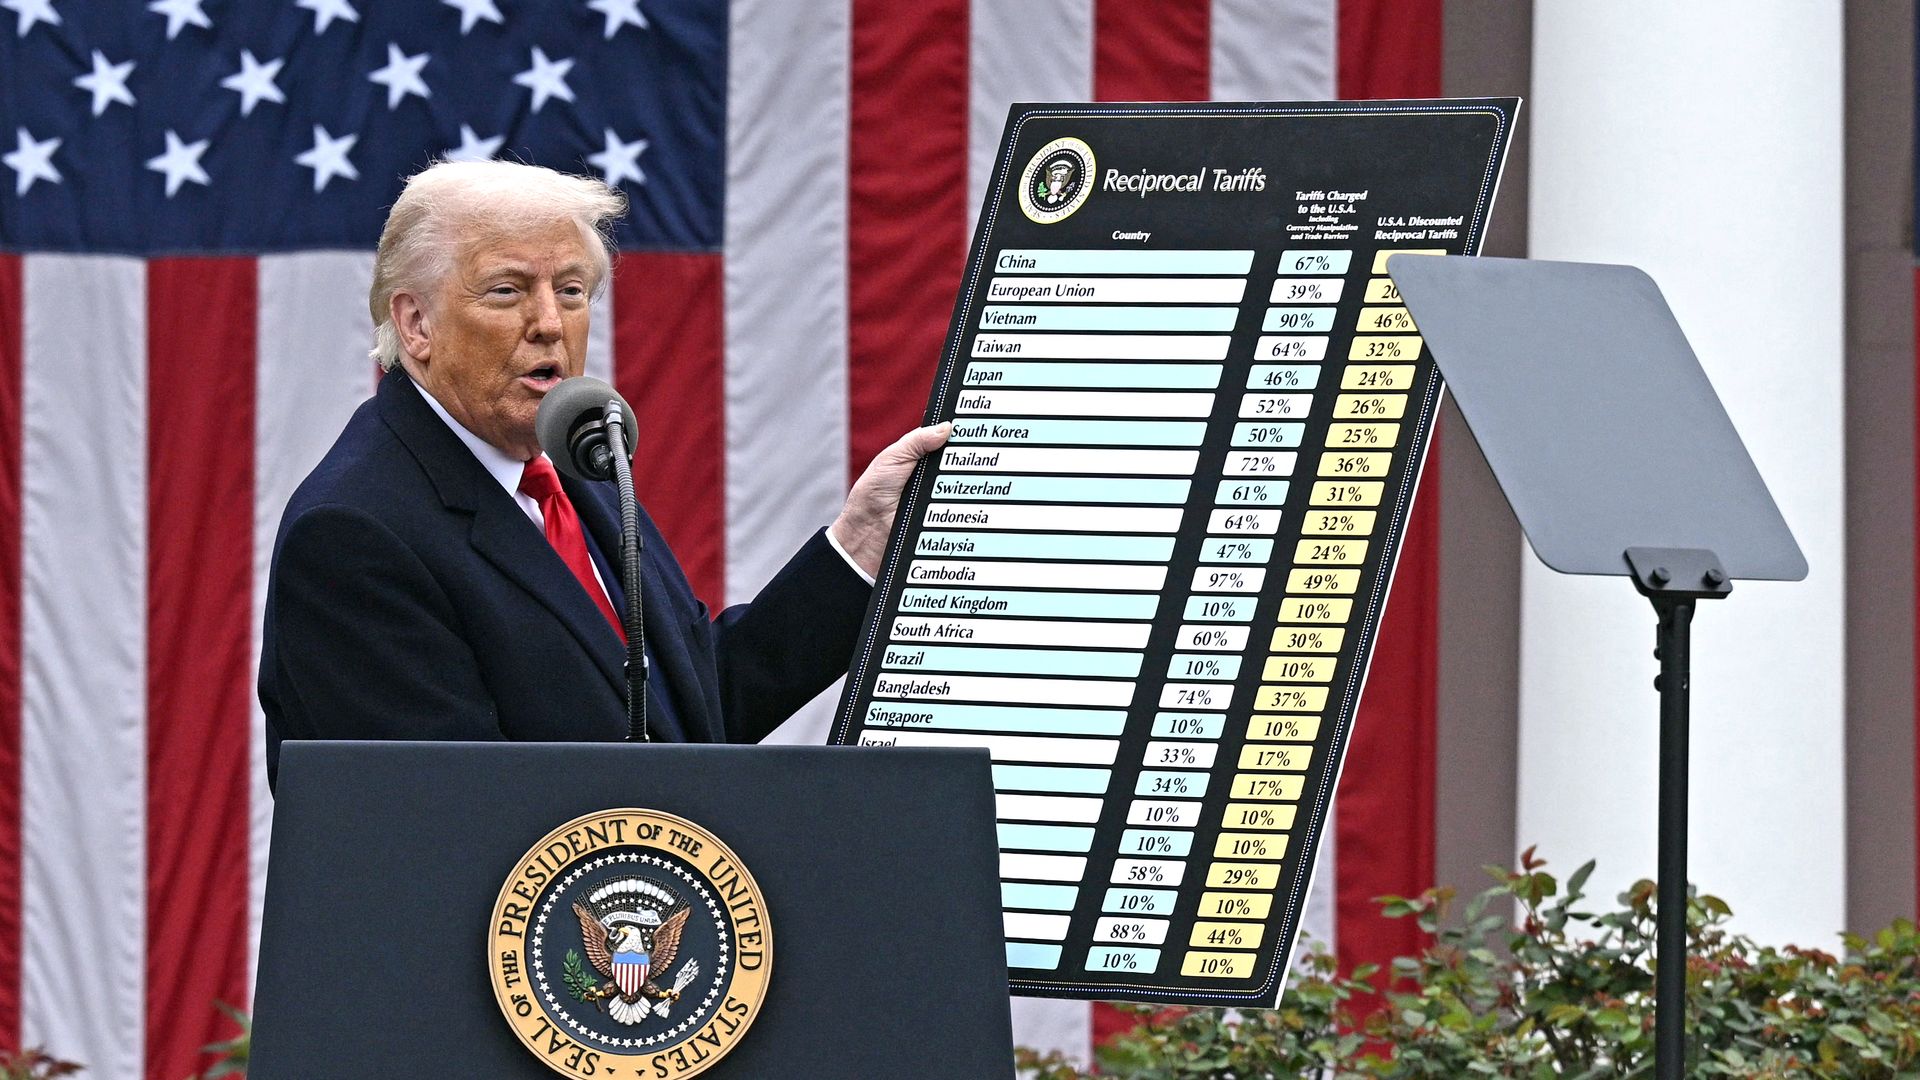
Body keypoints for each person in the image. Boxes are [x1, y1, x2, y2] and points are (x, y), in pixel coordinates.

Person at [257, 160, 947, 786]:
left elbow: (685, 713)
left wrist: (858, 547)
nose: (550, 323)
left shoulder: (573, 468)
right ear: (415, 324)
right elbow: (446, 822)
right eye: (506, 291)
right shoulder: (355, 532)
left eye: (573, 290)